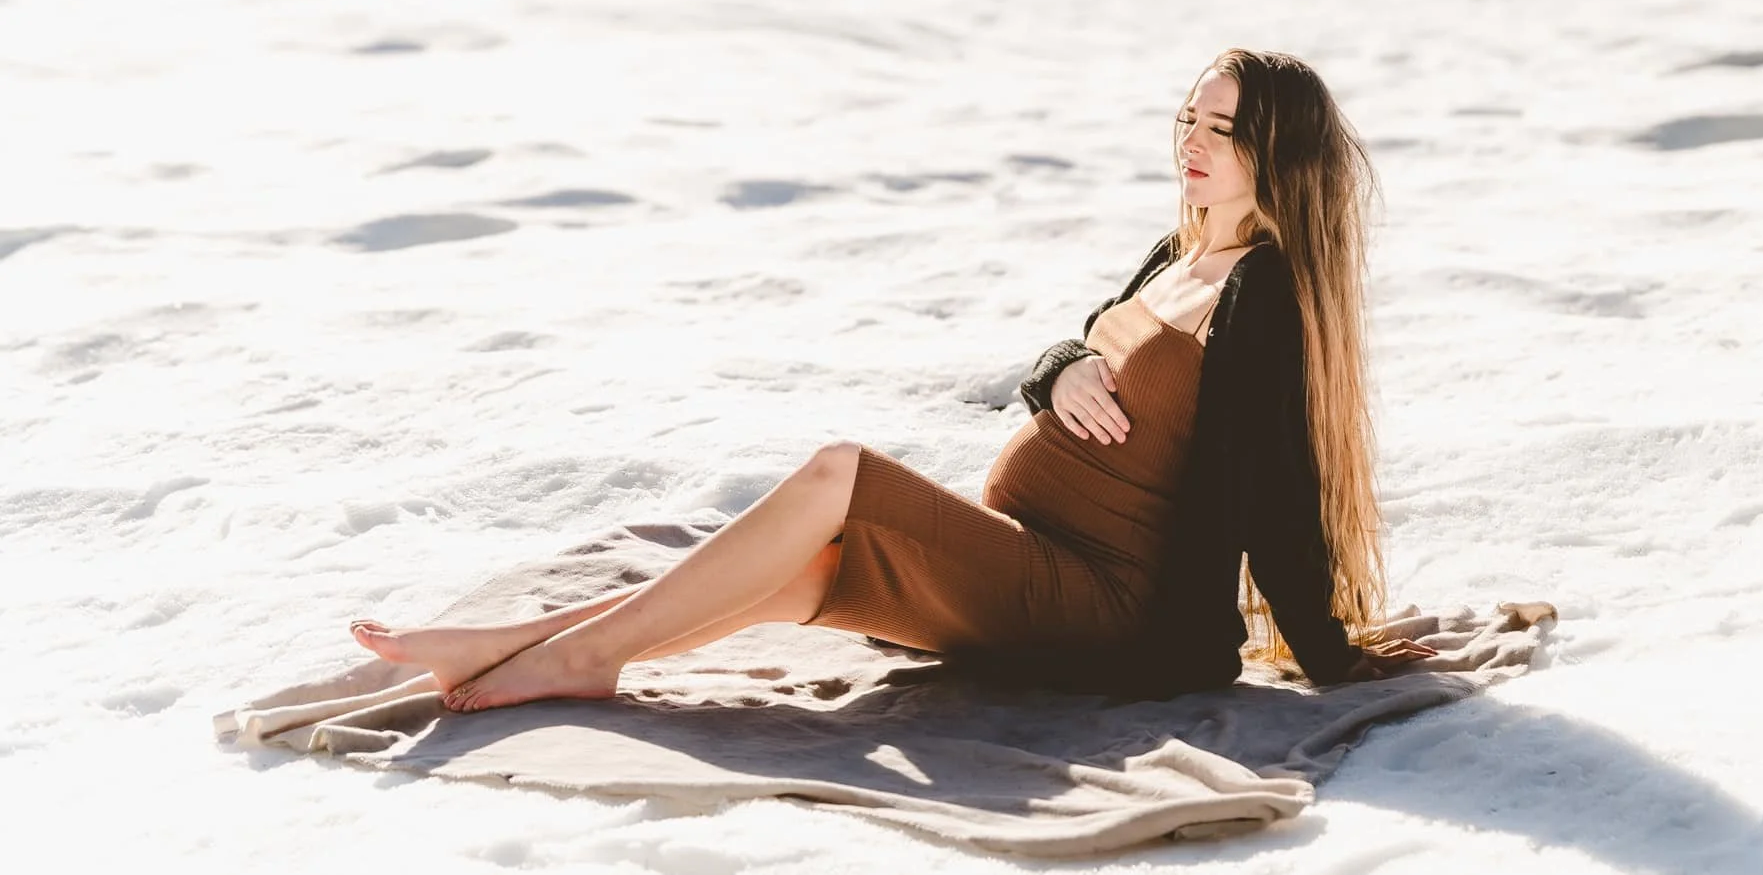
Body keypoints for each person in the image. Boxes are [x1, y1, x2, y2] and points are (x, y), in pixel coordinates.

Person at [349, 48, 1434, 712]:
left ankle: (582, 657)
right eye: (1187, 118)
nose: (1191, 142)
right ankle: (515, 649)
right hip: (1032, 551)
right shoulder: (1179, 251)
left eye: (1222, 129)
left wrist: (1329, 652)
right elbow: (1077, 357)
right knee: (805, 568)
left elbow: (1272, 483)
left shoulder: (1265, 293)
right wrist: (1058, 372)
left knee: (840, 474)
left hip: (1104, 604)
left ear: (1276, 152)